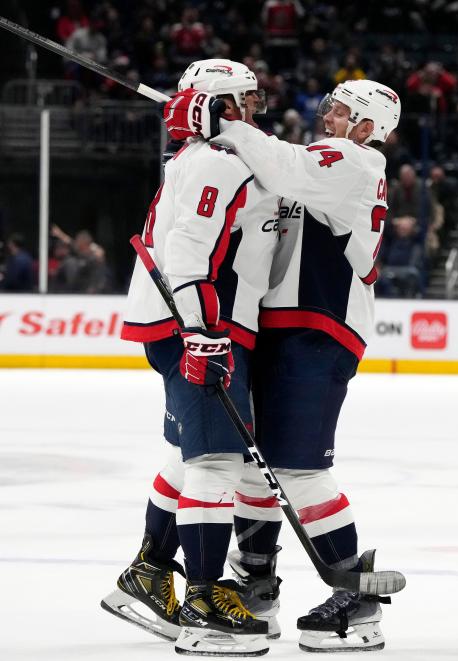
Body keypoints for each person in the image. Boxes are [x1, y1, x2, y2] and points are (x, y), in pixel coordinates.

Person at [163, 77, 401, 652]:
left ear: (369, 128)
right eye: (330, 108)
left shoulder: (355, 161)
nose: (329, 118)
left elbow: (286, 165)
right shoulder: (323, 159)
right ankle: (257, 583)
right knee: (252, 467)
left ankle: (358, 599)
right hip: (281, 327)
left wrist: (225, 121)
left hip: (319, 327)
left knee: (298, 469)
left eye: (343, 112)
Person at [102, 59, 278, 656]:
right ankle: (202, 600)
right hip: (191, 325)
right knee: (215, 463)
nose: (256, 109)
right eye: (245, 101)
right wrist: (202, 331)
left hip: (185, 322)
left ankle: (149, 573)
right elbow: (188, 252)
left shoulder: (214, 156)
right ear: (223, 105)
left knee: (190, 454)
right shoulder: (212, 162)